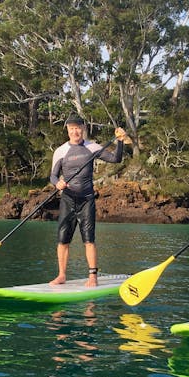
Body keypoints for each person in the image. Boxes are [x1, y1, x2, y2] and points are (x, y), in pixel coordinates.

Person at [49, 114, 130, 287]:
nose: (75, 131)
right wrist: (58, 184)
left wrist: (120, 141)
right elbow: (53, 176)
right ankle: (61, 275)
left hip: (86, 200)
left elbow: (116, 159)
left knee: (89, 239)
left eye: (78, 127)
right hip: (68, 200)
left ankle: (93, 276)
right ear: (67, 130)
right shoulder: (60, 151)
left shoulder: (92, 147)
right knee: (63, 240)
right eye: (71, 128)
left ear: (83, 129)